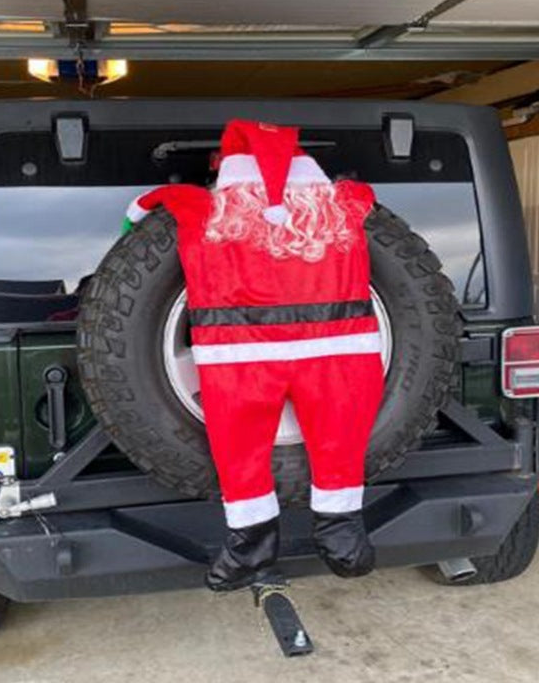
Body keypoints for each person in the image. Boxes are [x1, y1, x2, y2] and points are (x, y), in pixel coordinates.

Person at [125, 119, 385, 591]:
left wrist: (132, 220)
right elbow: (365, 195)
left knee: (239, 450)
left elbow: (143, 207)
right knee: (339, 440)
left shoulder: (204, 208)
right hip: (337, 353)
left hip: (240, 358)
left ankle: (252, 541)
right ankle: (340, 530)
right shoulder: (342, 205)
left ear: (227, 174)